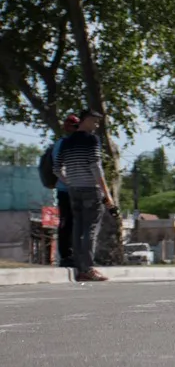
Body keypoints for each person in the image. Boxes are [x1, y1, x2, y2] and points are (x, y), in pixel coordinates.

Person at [54, 109, 117, 282]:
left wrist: (70, 182)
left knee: (78, 228)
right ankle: (88, 268)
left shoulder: (67, 142)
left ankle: (79, 266)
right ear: (86, 120)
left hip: (74, 190)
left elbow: (57, 168)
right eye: (95, 121)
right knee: (90, 229)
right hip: (91, 189)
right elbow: (96, 167)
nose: (96, 125)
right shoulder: (91, 140)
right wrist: (107, 194)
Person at [53, 114, 80, 267]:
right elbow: (57, 168)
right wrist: (70, 184)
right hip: (65, 191)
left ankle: (77, 254)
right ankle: (66, 255)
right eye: (73, 126)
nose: (76, 129)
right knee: (66, 222)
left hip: (79, 190)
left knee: (78, 223)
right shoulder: (62, 144)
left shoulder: (79, 144)